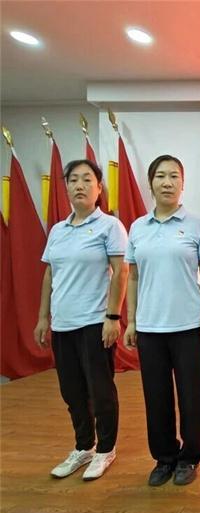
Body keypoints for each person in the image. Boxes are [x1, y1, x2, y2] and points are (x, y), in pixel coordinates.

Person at [123, 154, 200, 486]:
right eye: (161, 176)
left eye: (174, 176)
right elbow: (133, 277)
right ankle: (164, 457)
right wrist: (131, 321)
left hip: (188, 326)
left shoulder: (197, 225)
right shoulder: (138, 228)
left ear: (182, 183)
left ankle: (189, 457)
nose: (167, 182)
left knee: (191, 398)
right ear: (150, 184)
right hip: (149, 327)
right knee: (156, 398)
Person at [34, 159, 127, 481]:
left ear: (99, 188)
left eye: (87, 180)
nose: (79, 185)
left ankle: (106, 449)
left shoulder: (109, 226)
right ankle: (84, 446)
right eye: (73, 180)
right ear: (66, 187)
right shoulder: (58, 231)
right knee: (72, 393)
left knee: (100, 391)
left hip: (94, 323)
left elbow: (121, 271)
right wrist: (43, 317)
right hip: (63, 324)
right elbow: (50, 274)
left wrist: (112, 317)